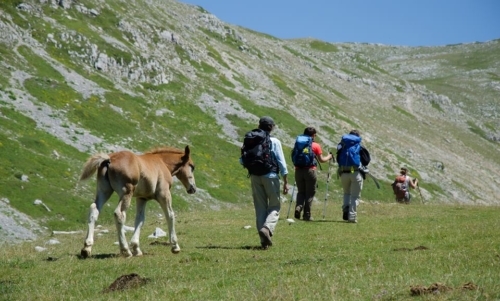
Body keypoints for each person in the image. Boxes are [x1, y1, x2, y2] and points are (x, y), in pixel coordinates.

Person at [243, 116, 289, 249]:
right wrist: (285, 180)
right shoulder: (274, 141)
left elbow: (242, 160)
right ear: (271, 127)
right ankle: (267, 229)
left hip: (255, 176)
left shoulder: (251, 140)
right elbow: (281, 162)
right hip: (270, 175)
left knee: (260, 207)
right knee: (274, 205)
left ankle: (263, 242)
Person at [293, 127, 333, 221]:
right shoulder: (315, 145)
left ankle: (298, 207)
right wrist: (329, 156)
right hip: (310, 171)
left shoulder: (298, 143)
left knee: (301, 191)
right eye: (315, 135)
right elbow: (322, 160)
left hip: (298, 170)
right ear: (313, 135)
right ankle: (307, 215)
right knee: (310, 193)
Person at [337, 130, 364, 223]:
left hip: (344, 172)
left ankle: (345, 209)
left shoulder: (342, 144)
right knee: (355, 196)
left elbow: (338, 157)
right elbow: (366, 160)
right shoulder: (358, 145)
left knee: (346, 193)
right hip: (355, 172)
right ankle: (352, 217)